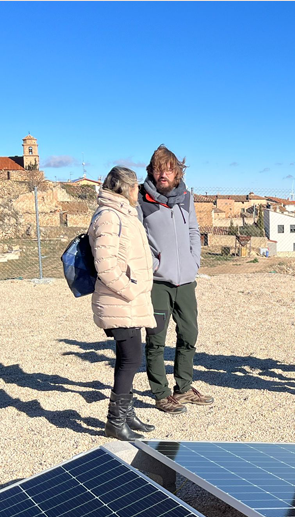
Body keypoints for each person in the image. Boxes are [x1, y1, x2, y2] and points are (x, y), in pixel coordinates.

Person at [138, 145, 214, 413]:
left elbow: (194, 230)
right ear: (152, 171)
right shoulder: (141, 199)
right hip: (158, 282)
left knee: (189, 334)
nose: (163, 174)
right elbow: (138, 239)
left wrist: (194, 261)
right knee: (156, 339)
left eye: (168, 169)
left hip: (186, 281)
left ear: (177, 173)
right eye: (158, 169)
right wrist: (154, 263)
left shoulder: (187, 198)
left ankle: (183, 388)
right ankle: (160, 393)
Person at [89, 166, 157, 441]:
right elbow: (105, 266)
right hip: (121, 301)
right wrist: (130, 291)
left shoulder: (121, 214)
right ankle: (115, 422)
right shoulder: (109, 216)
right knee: (129, 360)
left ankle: (127, 414)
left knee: (130, 359)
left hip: (129, 301)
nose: (139, 191)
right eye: (136, 187)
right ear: (126, 188)